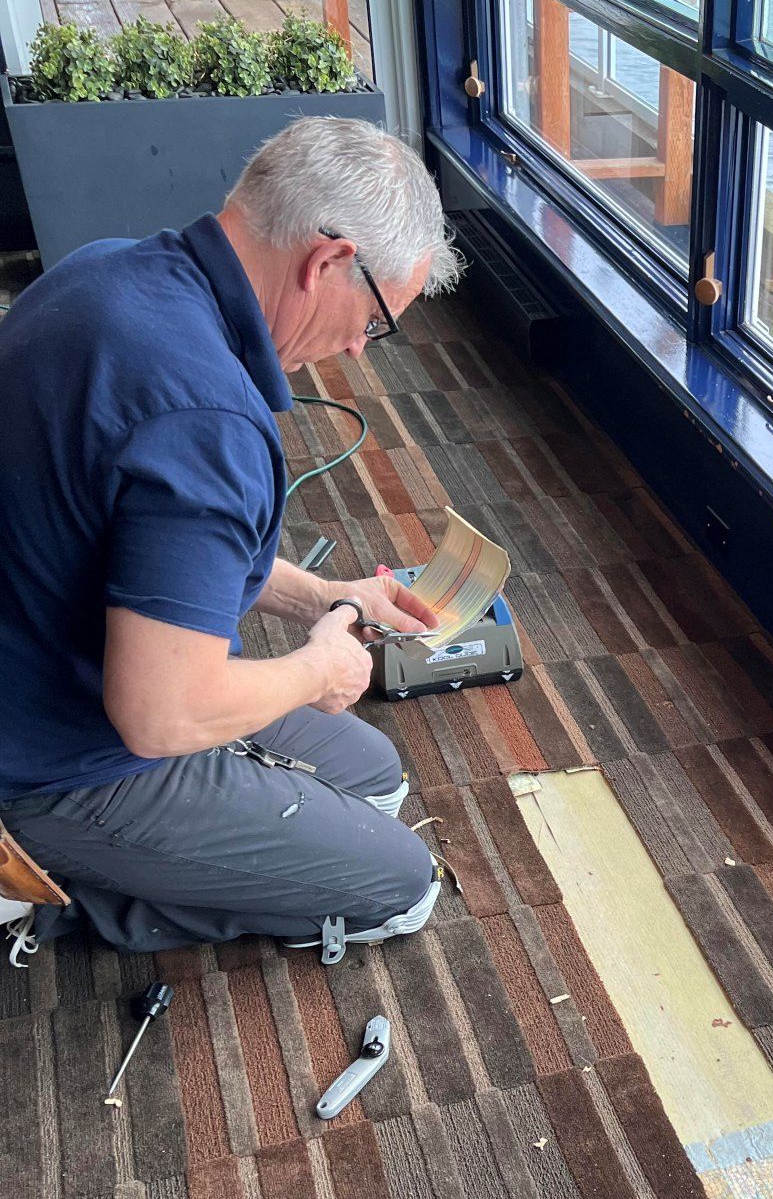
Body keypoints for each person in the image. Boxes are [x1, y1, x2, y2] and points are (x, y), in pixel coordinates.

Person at [0, 116, 463, 965]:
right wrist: (318, 669)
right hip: (48, 765)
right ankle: (56, 892)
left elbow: (157, 551)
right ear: (328, 263)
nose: (362, 349)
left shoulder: (103, 266)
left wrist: (330, 599)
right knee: (400, 887)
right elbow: (159, 713)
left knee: (378, 780)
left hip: (41, 658)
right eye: (378, 319)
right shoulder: (208, 421)